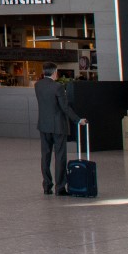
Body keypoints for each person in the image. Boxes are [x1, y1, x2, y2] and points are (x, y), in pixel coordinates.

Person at [35, 62, 86, 195]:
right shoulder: (58, 86)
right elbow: (64, 107)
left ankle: (47, 186)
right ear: (54, 72)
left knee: (45, 156)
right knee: (60, 156)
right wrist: (78, 120)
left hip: (43, 125)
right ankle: (60, 187)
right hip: (58, 126)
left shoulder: (38, 85)